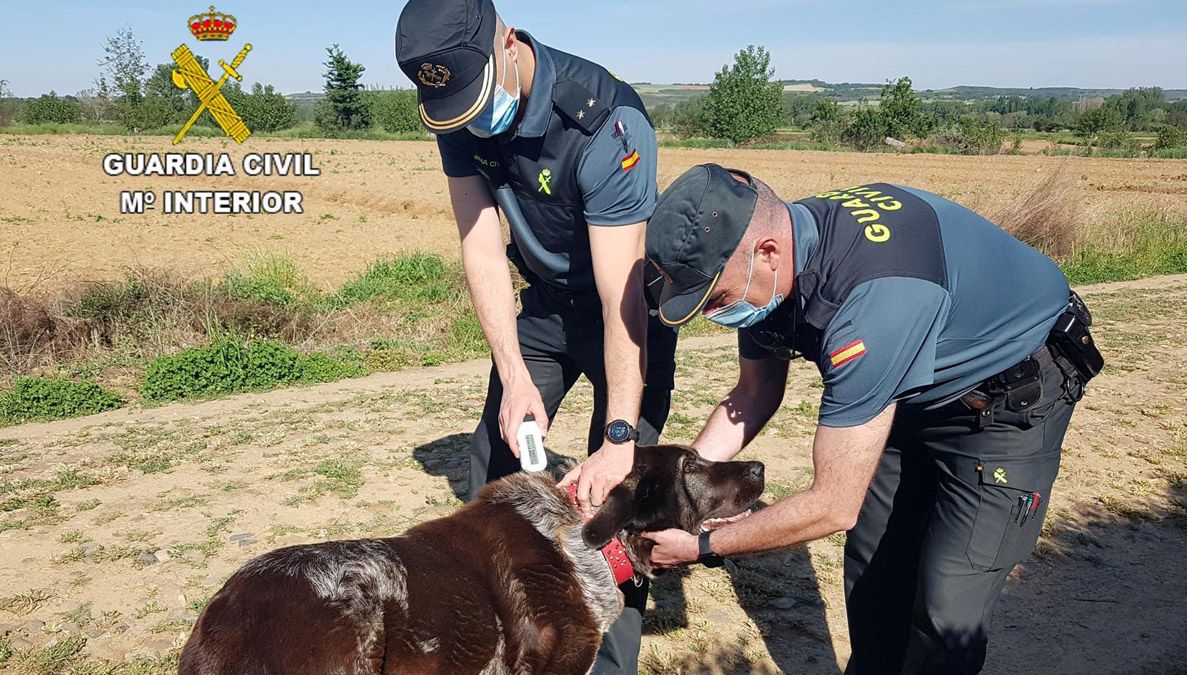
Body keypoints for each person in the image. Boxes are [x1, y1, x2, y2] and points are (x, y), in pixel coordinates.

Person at [635, 165, 1102, 674]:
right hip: (907, 391)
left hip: (1007, 406)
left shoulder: (869, 303)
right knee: (875, 571)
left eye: (717, 298)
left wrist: (702, 546)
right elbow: (753, 392)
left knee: (949, 605)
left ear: (767, 252)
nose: (713, 314)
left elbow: (833, 506)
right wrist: (682, 490)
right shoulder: (776, 265)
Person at [395, 1, 677, 671]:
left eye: (477, 100)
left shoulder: (604, 122)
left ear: (509, 43)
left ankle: (608, 658)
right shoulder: (457, 103)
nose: (470, 121)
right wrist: (515, 375)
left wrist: (617, 437)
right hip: (545, 302)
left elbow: (621, 301)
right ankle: (498, 627)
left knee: (619, 497)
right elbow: (483, 250)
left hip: (626, 307)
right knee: (493, 453)